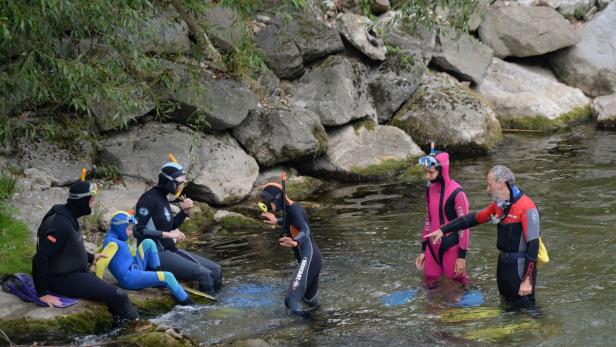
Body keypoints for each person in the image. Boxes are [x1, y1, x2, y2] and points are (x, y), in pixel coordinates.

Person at [32, 174, 139, 327]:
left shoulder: (68, 215)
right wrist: (42, 293)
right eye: (92, 200)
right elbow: (40, 257)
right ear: (82, 201)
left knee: (113, 296)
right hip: (62, 279)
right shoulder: (61, 223)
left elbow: (68, 247)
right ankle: (136, 330)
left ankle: (119, 328)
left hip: (75, 273)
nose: (94, 203)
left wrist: (91, 257)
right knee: (119, 295)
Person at [425, 165, 540, 307]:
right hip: (503, 265)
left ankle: (541, 326)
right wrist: (443, 230)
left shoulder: (527, 207)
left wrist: (527, 279)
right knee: (506, 306)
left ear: (501, 183)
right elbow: (472, 219)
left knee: (526, 307)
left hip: (520, 267)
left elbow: (534, 245)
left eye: (489, 184)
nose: (488, 189)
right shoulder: (500, 205)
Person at [133, 160, 222, 295]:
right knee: (205, 275)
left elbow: (171, 225)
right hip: (155, 255)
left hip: (170, 250)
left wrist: (184, 212)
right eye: (179, 183)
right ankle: (207, 310)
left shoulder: (163, 198)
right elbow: (138, 231)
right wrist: (167, 234)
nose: (181, 186)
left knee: (216, 270)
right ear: (168, 182)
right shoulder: (148, 199)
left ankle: (219, 305)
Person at [98, 211, 194, 306]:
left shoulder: (115, 240)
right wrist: (99, 286)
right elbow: (100, 263)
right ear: (120, 228)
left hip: (134, 268)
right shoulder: (113, 244)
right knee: (168, 276)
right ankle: (191, 305)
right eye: (129, 229)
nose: (131, 233)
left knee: (148, 242)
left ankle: (157, 277)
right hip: (130, 278)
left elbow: (102, 252)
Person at [260, 182, 322, 317]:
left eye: (268, 201)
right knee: (309, 300)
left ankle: (300, 332)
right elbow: (291, 221)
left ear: (277, 198)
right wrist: (276, 221)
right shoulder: (290, 208)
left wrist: (295, 241)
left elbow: (305, 229)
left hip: (309, 258)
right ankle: (320, 324)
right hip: (312, 258)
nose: (268, 205)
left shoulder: (293, 209)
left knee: (291, 301)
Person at [415, 146, 470, 288]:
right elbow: (428, 219)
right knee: (430, 285)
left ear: (442, 170)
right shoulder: (429, 190)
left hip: (451, 247)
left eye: (431, 173)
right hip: (432, 248)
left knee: (454, 287)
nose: (427, 177)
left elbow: (465, 226)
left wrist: (461, 257)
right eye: (426, 173)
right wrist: (423, 249)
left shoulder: (457, 193)